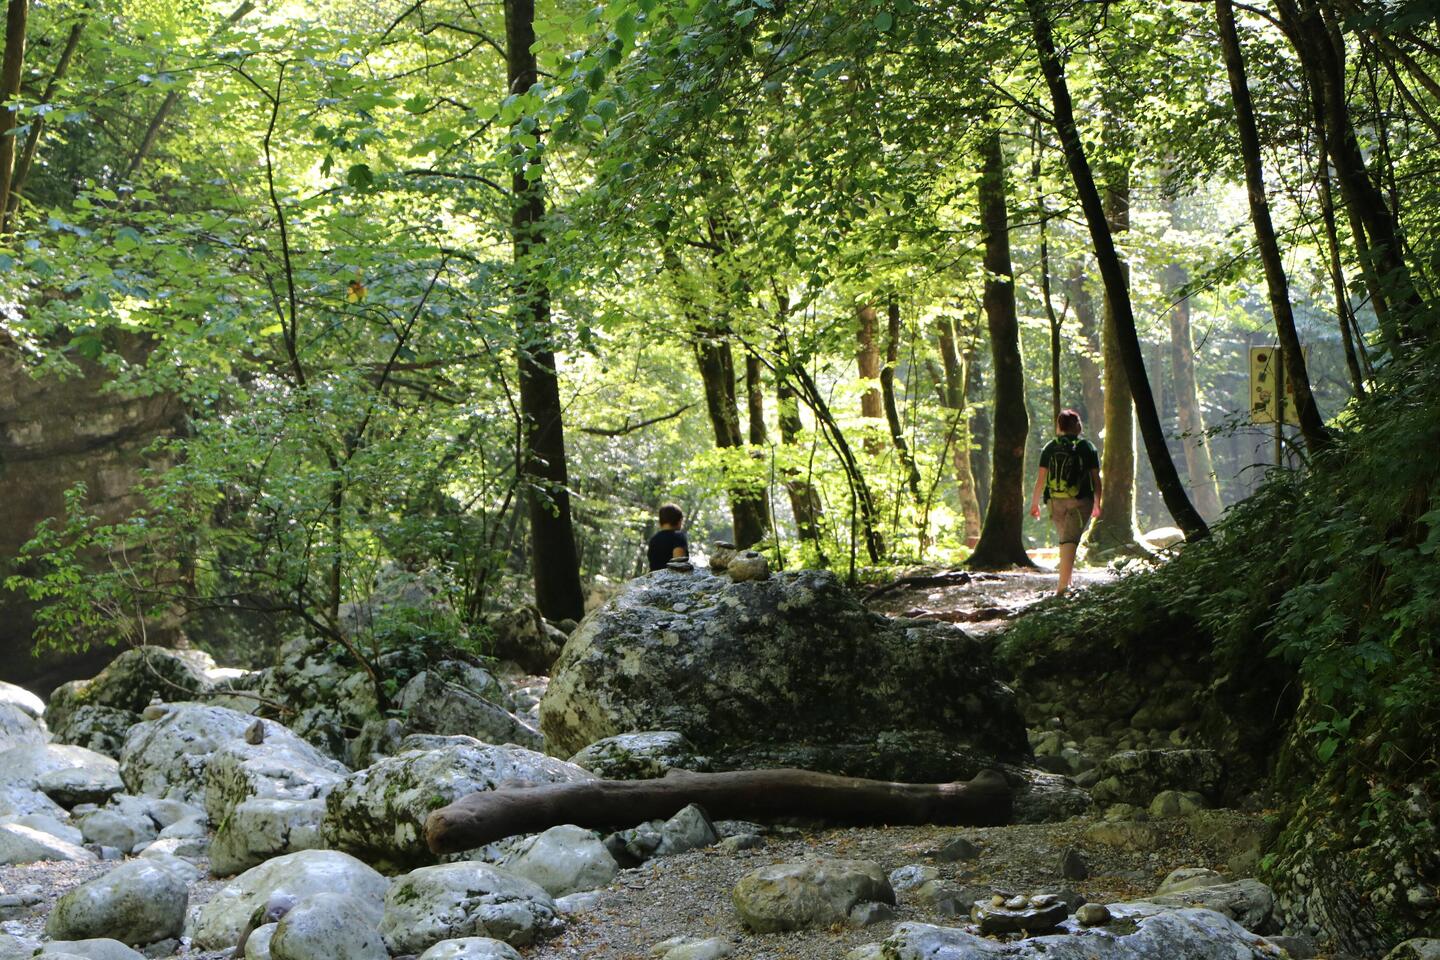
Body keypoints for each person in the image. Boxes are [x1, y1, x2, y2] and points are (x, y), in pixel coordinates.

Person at [1028, 409, 1102, 595]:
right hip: (1080, 501)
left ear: (1059, 426)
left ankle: (1066, 583)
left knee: (1065, 541)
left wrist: (1035, 503)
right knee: (1070, 542)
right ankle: (1062, 587)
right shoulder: (1087, 447)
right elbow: (1096, 479)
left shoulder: (1050, 447)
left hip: (1054, 501)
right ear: (1077, 426)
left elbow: (1041, 478)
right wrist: (1097, 502)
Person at [647, 503, 690, 571]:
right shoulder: (678, 536)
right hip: (670, 579)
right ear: (679, 520)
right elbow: (679, 563)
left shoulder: (653, 539)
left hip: (654, 578)